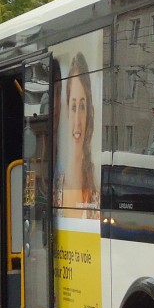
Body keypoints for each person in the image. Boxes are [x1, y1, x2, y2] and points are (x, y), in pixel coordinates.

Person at [54, 52, 99, 218]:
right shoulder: (55, 187)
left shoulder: (97, 190)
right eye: (73, 107)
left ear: (90, 112)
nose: (78, 121)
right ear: (66, 111)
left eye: (82, 106)